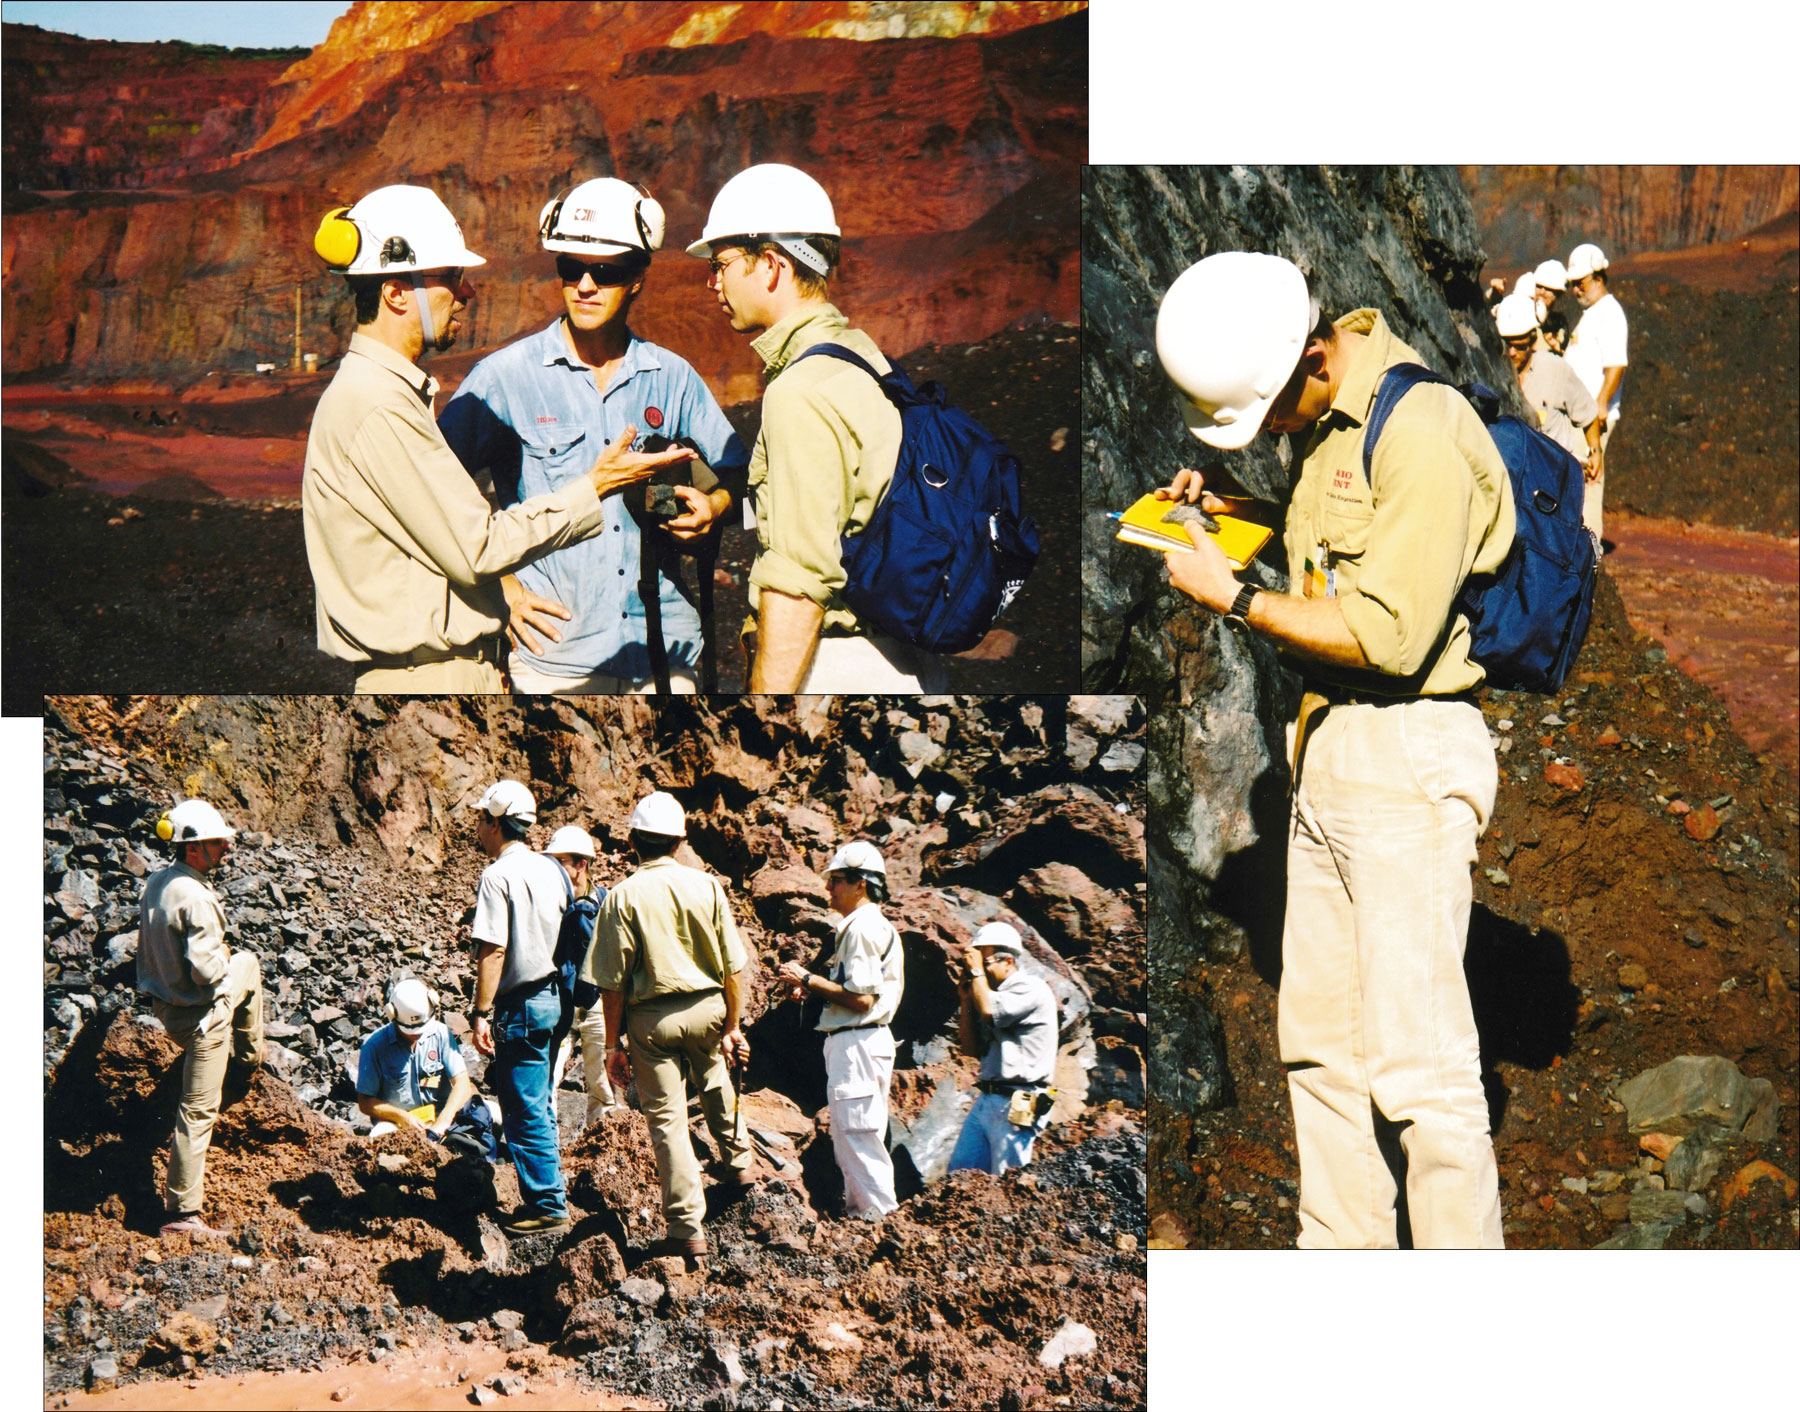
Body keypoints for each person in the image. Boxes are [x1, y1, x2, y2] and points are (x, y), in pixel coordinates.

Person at [1153, 250, 1515, 1248]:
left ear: (1311, 359)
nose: (1270, 430)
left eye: (1266, 411)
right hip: (1330, 748)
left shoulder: (1422, 428)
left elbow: (1390, 631)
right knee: (1321, 1051)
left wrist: (1236, 597)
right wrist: (1235, 513)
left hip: (1406, 751)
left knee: (1422, 1071)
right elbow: (1338, 556)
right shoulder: (1327, 423)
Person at [302, 183, 693, 692]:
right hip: (426, 678)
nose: (466, 293)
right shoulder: (377, 405)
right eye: (451, 277)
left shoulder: (380, 394)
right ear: (396, 292)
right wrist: (594, 486)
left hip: (445, 670)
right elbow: (479, 549)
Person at [439, 177, 747, 693]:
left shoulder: (671, 377)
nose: (584, 285)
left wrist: (714, 507)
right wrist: (502, 589)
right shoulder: (504, 377)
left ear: (637, 279)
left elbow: (741, 472)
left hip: (665, 654)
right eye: (570, 268)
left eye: (604, 272)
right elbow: (431, 494)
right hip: (553, 660)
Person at [686, 162, 947, 692]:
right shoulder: (863, 358)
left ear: (772, 265)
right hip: (906, 659)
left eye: (721, 263)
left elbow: (799, 585)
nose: (712, 281)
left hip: (835, 666)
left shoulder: (801, 390)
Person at [584, 791, 755, 1260]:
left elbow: (612, 985)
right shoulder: (708, 887)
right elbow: (732, 968)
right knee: (715, 1078)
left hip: (653, 1020)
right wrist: (733, 1025)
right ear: (679, 842)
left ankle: (686, 1228)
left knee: (667, 1120)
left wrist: (614, 1045)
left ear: (633, 841)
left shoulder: (622, 896)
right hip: (709, 1008)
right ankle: (739, 1163)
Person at [136, 799, 264, 1239]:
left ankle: (246, 1059)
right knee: (197, 1111)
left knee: (248, 963)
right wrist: (222, 955)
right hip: (201, 1019)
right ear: (192, 848)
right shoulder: (197, 898)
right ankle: (182, 1213)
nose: (226, 848)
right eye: (216, 843)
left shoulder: (158, 881)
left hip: (166, 1006)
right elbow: (208, 974)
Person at [776, 841, 904, 1217]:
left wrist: (807, 978)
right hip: (861, 1042)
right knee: (855, 1135)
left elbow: (861, 998)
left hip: (858, 1043)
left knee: (857, 1136)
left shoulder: (862, 929)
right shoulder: (866, 926)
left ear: (860, 883)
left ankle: (877, 1219)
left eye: (836, 880)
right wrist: (816, 990)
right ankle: (865, 1217)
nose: (828, 888)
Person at [468, 779, 571, 1237]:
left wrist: (480, 1012)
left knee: (523, 1107)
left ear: (495, 822)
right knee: (540, 1102)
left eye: (481, 819)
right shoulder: (552, 869)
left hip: (521, 1005)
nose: (477, 827)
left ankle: (547, 1205)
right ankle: (551, 1190)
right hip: (554, 999)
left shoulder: (497, 876)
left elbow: (493, 950)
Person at [947, 923, 1058, 1176]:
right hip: (988, 1096)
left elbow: (990, 1011)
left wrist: (977, 973)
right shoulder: (987, 994)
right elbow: (970, 1048)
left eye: (984, 962)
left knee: (1008, 1176)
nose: (979, 969)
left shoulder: (1030, 988)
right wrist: (966, 1001)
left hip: (1024, 1096)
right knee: (960, 1173)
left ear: (1008, 961)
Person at [543, 824, 622, 1133]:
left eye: (560, 861)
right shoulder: (548, 903)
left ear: (581, 864)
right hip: (558, 1002)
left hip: (597, 1005)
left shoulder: (605, 903)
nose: (553, 868)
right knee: (546, 1077)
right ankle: (545, 1145)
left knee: (602, 1084)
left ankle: (601, 1146)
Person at [1495, 292, 1603, 490]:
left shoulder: (1555, 369)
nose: (1511, 352)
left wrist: (1595, 451)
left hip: (1552, 480)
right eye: (1506, 344)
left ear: (1533, 339)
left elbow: (1587, 413)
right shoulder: (1493, 374)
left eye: (1519, 346)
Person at [1562, 242, 1629, 543]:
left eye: (1581, 282)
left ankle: (1589, 552)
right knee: (1578, 480)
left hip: (1592, 418)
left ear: (1599, 278)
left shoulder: (1609, 313)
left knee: (1589, 481)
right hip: (1580, 416)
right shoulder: (1592, 313)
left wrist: (1601, 404)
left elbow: (1616, 364)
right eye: (1573, 284)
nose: (1576, 289)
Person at [355, 977, 477, 1141]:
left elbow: (462, 1083)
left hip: (442, 1116)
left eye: (421, 1029)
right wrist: (401, 1117)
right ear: (392, 1014)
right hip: (398, 1123)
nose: (416, 1034)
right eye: (410, 1030)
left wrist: (444, 1120)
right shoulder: (374, 1046)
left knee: (493, 1114)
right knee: (379, 1138)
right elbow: (365, 1101)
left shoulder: (441, 1033)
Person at [1531, 258, 1571, 353]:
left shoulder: (1560, 323)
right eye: (1539, 286)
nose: (1542, 292)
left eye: (1548, 288)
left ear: (1558, 293)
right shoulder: (1521, 314)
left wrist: (1556, 347)